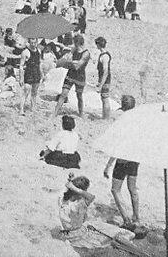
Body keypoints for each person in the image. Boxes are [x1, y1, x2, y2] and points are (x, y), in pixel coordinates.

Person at [104, 95, 140, 229]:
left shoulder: (122, 123)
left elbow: (117, 147)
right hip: (135, 158)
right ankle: (137, 217)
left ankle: (126, 219)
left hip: (123, 159)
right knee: (133, 189)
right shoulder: (138, 122)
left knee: (115, 190)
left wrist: (108, 165)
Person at [55, 35, 91, 117]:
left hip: (79, 75)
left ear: (78, 43)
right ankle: (55, 113)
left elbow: (77, 66)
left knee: (79, 96)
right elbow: (66, 59)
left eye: (75, 43)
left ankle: (81, 114)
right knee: (63, 94)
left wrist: (69, 62)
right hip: (71, 73)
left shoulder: (86, 53)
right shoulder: (74, 49)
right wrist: (71, 61)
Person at [58, 173, 96, 245]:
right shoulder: (80, 203)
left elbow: (68, 187)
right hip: (77, 233)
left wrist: (71, 182)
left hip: (66, 231)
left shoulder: (63, 198)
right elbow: (91, 197)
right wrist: (76, 189)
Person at [19, 38, 42, 115]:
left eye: (34, 43)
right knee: (26, 92)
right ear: (29, 43)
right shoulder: (25, 52)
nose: (33, 44)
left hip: (36, 73)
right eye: (31, 43)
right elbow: (21, 66)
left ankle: (33, 108)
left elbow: (40, 64)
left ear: (37, 42)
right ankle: (21, 109)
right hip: (29, 73)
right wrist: (21, 78)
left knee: (34, 93)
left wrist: (42, 74)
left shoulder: (39, 51)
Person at [94, 37, 112, 119]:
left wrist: (101, 85)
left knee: (105, 98)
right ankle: (105, 117)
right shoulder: (104, 55)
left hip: (105, 79)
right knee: (104, 98)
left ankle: (106, 118)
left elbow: (105, 72)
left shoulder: (104, 56)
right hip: (104, 79)